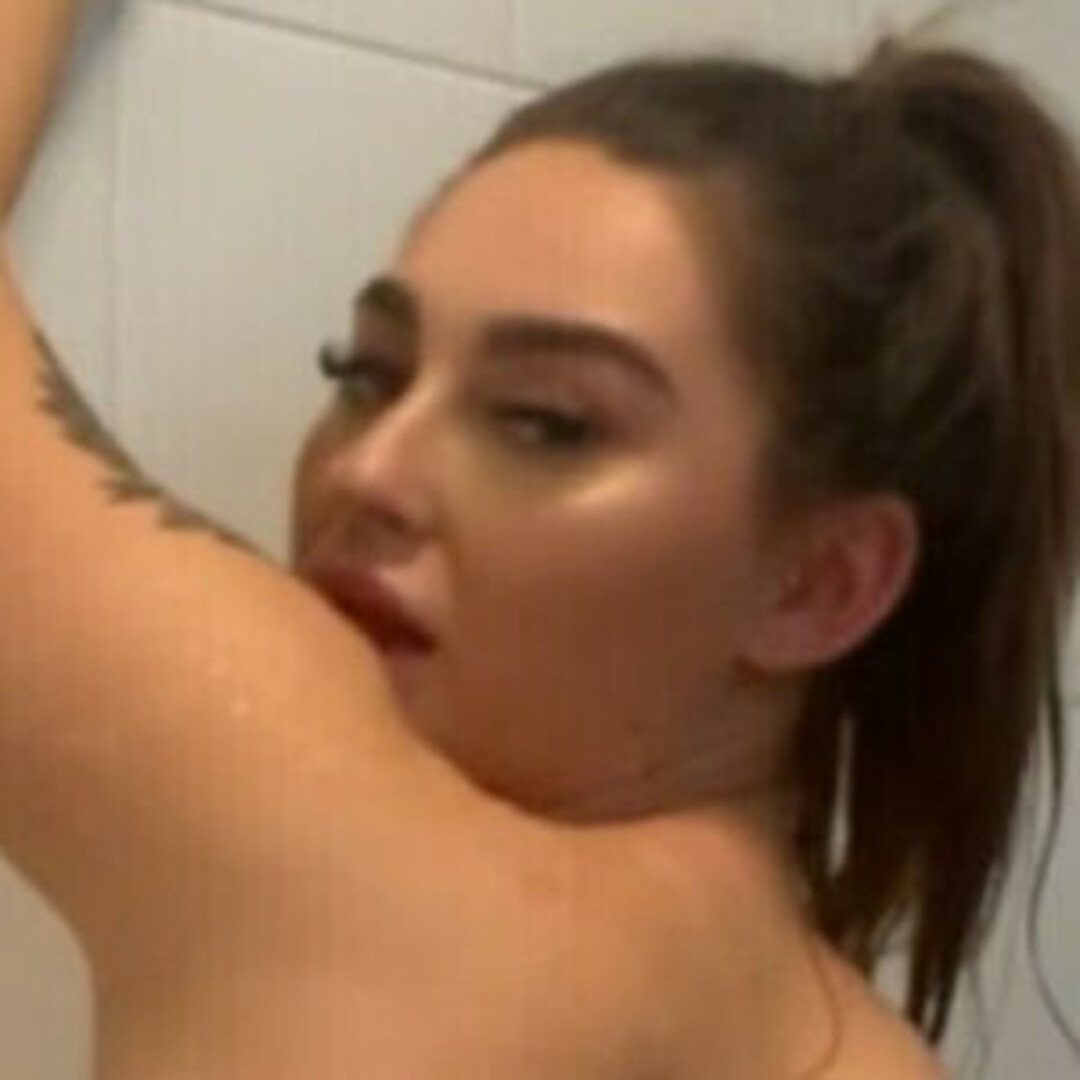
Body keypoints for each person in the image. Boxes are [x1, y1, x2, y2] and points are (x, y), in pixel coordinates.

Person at [2, 2, 1078, 1077]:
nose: (367, 472)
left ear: (819, 585)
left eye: (546, 421)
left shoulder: (368, 895)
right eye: (366, 375)